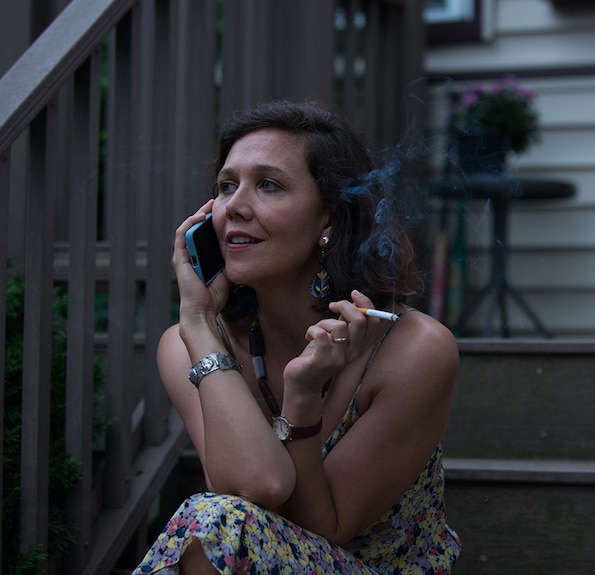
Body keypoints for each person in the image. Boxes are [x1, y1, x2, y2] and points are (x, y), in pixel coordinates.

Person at [133, 100, 461, 574]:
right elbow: (254, 485)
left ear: (328, 217)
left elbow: (325, 527)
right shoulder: (193, 341)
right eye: (226, 187)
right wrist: (200, 325)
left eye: (268, 185)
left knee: (214, 525)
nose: (235, 208)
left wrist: (302, 398)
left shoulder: (413, 350)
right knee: (215, 523)